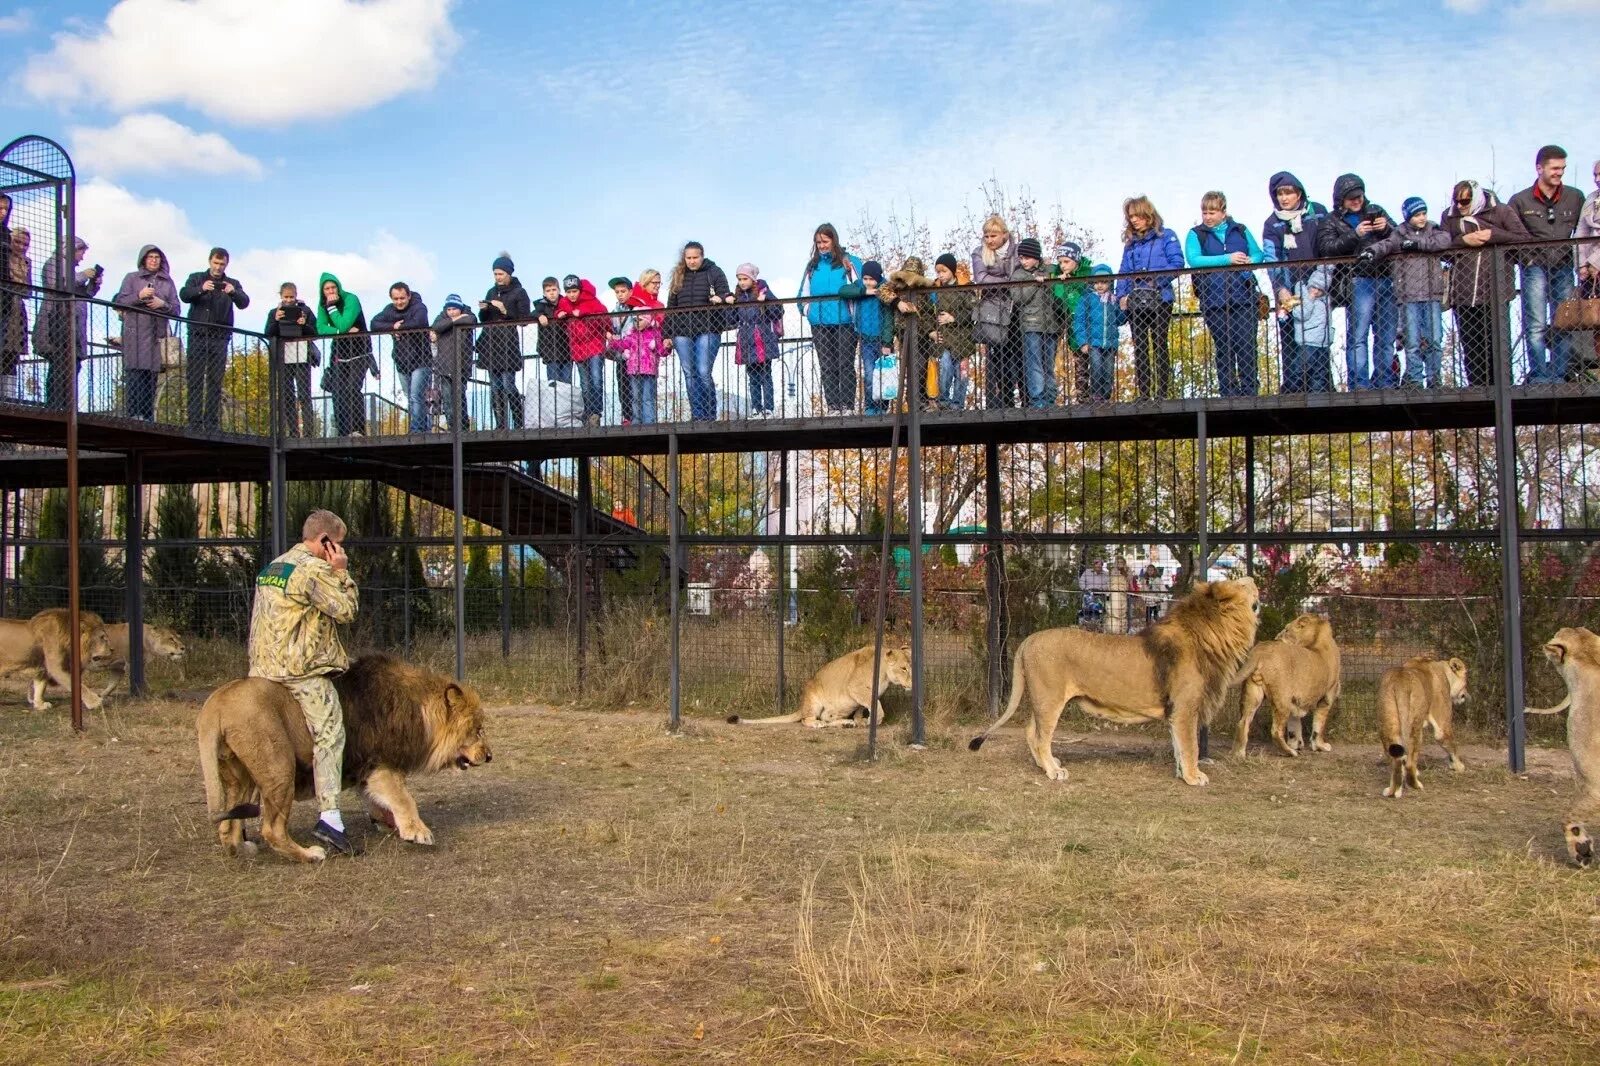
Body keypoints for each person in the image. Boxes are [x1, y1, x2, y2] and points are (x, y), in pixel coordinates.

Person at [248, 509, 361, 856]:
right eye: (337, 544)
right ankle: (330, 819)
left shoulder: (274, 567)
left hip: (261, 669)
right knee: (330, 733)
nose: (340, 550)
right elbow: (346, 611)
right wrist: (341, 572)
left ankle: (238, 819)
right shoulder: (315, 569)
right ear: (325, 541)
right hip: (299, 671)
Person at [1440, 181, 1531, 387]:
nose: (1461, 205)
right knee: (1471, 346)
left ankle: (1503, 386)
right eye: (1457, 201)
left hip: (1495, 290)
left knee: (1497, 345)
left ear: (1476, 197)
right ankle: (1477, 389)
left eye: (1465, 201)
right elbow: (1442, 246)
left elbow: (1524, 240)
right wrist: (1464, 241)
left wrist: (1493, 235)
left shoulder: (1501, 211)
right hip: (1463, 292)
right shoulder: (1449, 216)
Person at [1510, 145, 1586, 383]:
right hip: (1534, 266)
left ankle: (1560, 373)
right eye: (1554, 168)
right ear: (1539, 168)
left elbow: (1584, 229)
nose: (1559, 173)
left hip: (1563, 265)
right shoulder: (1520, 200)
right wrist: (1525, 259)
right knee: (1536, 322)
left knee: (1563, 320)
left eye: (1562, 169)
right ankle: (1539, 375)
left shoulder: (1575, 196)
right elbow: (1510, 236)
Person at [1316, 174, 1398, 389]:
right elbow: (1325, 248)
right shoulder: (1332, 220)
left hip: (1385, 278)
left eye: (1359, 196)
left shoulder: (1377, 211)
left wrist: (1386, 228)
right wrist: (1355, 234)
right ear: (1341, 199)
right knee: (1359, 336)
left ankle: (1385, 382)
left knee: (1386, 336)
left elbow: (1399, 237)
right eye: (1351, 197)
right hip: (1357, 280)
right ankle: (1359, 385)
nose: (1356, 201)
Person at [1365, 197, 1453, 388]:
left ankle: (1433, 378)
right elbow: (1386, 245)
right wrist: (1371, 251)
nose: (1422, 218)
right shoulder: (1400, 233)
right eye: (1416, 215)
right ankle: (1414, 378)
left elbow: (1444, 240)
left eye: (1423, 213)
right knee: (1412, 342)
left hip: (1431, 294)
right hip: (1408, 296)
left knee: (1434, 340)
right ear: (1407, 216)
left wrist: (1417, 244)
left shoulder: (1433, 229)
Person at [1185, 191, 1265, 397]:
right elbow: (1194, 260)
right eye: (1204, 212)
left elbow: (1258, 253)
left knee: (1247, 344)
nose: (1208, 217)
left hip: (1244, 295)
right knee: (1225, 345)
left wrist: (1250, 261)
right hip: (1214, 298)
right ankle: (1228, 391)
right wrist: (1227, 259)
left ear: (1223, 212)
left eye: (1212, 212)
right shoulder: (1196, 234)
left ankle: (1249, 391)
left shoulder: (1240, 230)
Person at [1260, 172, 1330, 396]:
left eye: (1288, 192)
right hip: (1288, 288)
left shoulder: (1317, 212)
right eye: (1279, 193)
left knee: (1318, 335)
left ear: (1298, 192)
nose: (1284, 198)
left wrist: (1320, 282)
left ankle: (1322, 386)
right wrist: (1280, 288)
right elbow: (1271, 257)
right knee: (1289, 336)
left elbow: (1327, 248)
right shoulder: (1272, 223)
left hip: (1317, 285)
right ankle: (1293, 388)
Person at [1115, 196, 1183, 399]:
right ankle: (1144, 393)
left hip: (1160, 298)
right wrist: (1122, 295)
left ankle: (1162, 391)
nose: (1134, 220)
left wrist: (1156, 281)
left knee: (1160, 342)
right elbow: (1123, 271)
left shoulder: (1166, 236)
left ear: (1148, 215)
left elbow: (1177, 263)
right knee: (1140, 346)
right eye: (1131, 217)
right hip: (1136, 300)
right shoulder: (1131, 244)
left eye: (1137, 215)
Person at [178, 247, 249, 430]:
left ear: (226, 264)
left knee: (215, 380)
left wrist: (233, 292)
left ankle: (211, 422)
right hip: (198, 334)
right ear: (210, 261)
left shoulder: (232, 282)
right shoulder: (196, 278)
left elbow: (244, 303)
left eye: (222, 264)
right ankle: (194, 421)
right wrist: (201, 289)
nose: (218, 267)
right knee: (194, 378)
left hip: (220, 336)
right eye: (216, 263)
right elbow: (184, 295)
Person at [797, 224, 862, 414]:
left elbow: (860, 285)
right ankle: (833, 405)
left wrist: (850, 270)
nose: (822, 246)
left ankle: (847, 405)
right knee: (826, 365)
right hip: (820, 322)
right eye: (818, 243)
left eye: (825, 241)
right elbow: (802, 293)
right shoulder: (812, 266)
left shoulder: (849, 261)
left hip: (845, 321)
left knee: (845, 363)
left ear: (834, 240)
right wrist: (808, 310)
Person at [34, 235, 103, 410]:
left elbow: (85, 294)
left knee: (73, 366)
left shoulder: (72, 270)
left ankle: (68, 405)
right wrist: (82, 276)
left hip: (75, 324)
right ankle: (55, 405)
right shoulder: (54, 263)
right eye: (81, 252)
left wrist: (94, 284)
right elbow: (59, 286)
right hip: (56, 321)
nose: (82, 256)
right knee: (59, 364)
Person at [666, 241, 732, 421]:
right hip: (682, 329)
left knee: (703, 370)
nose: (692, 261)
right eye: (689, 258)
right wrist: (667, 334)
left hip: (708, 327)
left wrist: (721, 298)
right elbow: (671, 306)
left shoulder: (714, 272)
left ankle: (710, 413)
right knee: (689, 372)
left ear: (702, 256)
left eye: (695, 257)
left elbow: (727, 294)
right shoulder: (678, 276)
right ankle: (698, 415)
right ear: (684, 258)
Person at [112, 244, 179, 420]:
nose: (154, 260)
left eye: (157, 257)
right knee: (135, 374)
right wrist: (139, 296)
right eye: (150, 257)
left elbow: (176, 309)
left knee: (151, 377)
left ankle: (148, 416)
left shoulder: (167, 282)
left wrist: (162, 304)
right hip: (134, 332)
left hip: (156, 335)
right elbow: (119, 302)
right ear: (143, 259)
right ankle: (134, 415)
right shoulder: (132, 278)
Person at [315, 272, 375, 437]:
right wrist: (339, 331)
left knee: (352, 388)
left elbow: (344, 323)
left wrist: (333, 310)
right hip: (339, 352)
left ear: (338, 287)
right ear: (322, 291)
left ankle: (358, 429)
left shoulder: (351, 299)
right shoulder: (322, 304)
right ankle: (343, 431)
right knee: (338, 390)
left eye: (333, 287)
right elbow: (320, 328)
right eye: (327, 289)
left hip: (359, 351)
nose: (331, 291)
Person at [475, 254, 531, 429]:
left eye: (500, 274)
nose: (497, 277)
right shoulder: (491, 292)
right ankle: (500, 424)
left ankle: (518, 420)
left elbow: (524, 319)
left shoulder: (520, 292)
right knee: (495, 387)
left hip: (508, 344)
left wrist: (505, 310)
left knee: (508, 385)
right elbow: (484, 319)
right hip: (491, 343)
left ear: (509, 273)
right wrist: (483, 310)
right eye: (495, 274)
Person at [971, 214, 1022, 409]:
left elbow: (1021, 272)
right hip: (993, 309)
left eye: (993, 235)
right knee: (998, 354)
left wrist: (1007, 282)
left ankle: (1024, 397)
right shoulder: (979, 253)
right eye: (986, 236)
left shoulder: (1016, 250)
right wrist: (1008, 282)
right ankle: (1005, 397)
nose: (989, 240)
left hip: (1015, 306)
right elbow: (981, 278)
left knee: (1018, 352)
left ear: (1004, 235)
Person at [369, 282, 432, 433]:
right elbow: (374, 323)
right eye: (395, 299)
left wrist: (399, 328)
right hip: (401, 360)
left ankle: (417, 430)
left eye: (402, 298)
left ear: (409, 296)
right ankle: (425, 427)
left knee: (416, 395)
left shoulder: (419, 307)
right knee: (410, 397)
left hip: (421, 359)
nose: (399, 302)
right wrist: (392, 327)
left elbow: (419, 322)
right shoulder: (389, 310)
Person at [609, 269, 665, 424]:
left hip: (647, 360)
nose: (658, 286)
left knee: (645, 394)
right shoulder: (620, 309)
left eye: (659, 283)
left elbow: (657, 329)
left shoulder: (646, 306)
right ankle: (631, 418)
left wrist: (662, 345)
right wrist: (612, 340)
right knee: (628, 390)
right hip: (630, 356)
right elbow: (617, 332)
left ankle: (647, 420)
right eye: (655, 283)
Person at [264, 281, 319, 437]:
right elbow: (268, 333)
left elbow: (315, 333)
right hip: (283, 356)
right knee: (287, 395)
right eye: (286, 297)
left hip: (302, 355)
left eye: (291, 297)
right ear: (281, 296)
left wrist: (304, 324)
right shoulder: (273, 312)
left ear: (296, 296)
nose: (289, 300)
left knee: (304, 395)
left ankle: (308, 432)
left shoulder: (305, 311)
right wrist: (275, 319)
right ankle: (293, 432)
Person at [556, 275, 612, 426]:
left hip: (595, 345)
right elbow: (559, 312)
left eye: (575, 291)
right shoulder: (564, 303)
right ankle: (588, 412)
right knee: (585, 384)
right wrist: (558, 314)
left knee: (596, 379)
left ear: (580, 290)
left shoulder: (591, 301)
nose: (572, 295)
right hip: (578, 348)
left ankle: (596, 412)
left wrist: (582, 312)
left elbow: (604, 316)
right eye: (569, 292)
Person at [731, 263, 783, 418]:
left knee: (765, 375)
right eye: (739, 279)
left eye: (745, 278)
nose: (742, 282)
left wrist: (765, 302)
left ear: (752, 279)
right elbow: (732, 319)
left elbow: (778, 311)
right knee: (752, 377)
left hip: (763, 338)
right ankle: (756, 407)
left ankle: (768, 408)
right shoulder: (738, 296)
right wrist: (730, 305)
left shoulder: (763, 291)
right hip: (746, 340)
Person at [1012, 237, 1059, 408]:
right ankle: (1038, 400)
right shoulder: (1018, 275)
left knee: (1049, 365)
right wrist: (1035, 283)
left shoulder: (1048, 269)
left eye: (1026, 257)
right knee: (1034, 364)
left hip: (1051, 325)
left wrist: (1050, 274)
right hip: (1031, 325)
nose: (1023, 261)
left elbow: (1060, 275)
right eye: (1021, 258)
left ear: (1036, 257)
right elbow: (1018, 298)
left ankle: (1050, 399)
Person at [840, 260, 891, 415]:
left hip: (882, 340)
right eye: (866, 279)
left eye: (871, 279)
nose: (868, 282)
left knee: (884, 375)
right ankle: (870, 406)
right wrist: (864, 292)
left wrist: (887, 342)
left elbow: (889, 318)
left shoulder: (885, 289)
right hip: (866, 340)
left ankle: (882, 406)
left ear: (878, 277)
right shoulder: (860, 287)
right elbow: (843, 291)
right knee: (869, 374)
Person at [1049, 241, 1095, 400]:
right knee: (1080, 363)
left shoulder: (1088, 273)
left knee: (1096, 362)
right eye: (1060, 262)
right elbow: (1058, 299)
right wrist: (1060, 283)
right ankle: (1082, 396)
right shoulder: (1058, 276)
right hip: (1072, 325)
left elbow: (1088, 291)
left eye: (1066, 261)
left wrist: (1070, 281)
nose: (1062, 265)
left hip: (1090, 323)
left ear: (1076, 260)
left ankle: (1097, 396)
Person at [930, 253, 975, 410]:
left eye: (944, 271)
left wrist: (954, 318)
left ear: (952, 271)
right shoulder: (935, 290)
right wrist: (932, 330)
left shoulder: (965, 288)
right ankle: (943, 401)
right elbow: (929, 313)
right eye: (938, 272)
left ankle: (958, 404)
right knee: (946, 369)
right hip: (945, 339)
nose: (940, 275)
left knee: (961, 374)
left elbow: (973, 312)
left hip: (963, 339)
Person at [1281, 262, 1336, 393]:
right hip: (1308, 340)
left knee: (1320, 371)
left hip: (1322, 342)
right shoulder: (1303, 297)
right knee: (1300, 368)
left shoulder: (1325, 301)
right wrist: (1309, 299)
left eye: (1320, 290)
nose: (1316, 292)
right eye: (1314, 288)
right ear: (1310, 285)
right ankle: (1289, 390)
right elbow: (1300, 314)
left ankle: (1317, 394)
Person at [1073, 265, 1123, 401]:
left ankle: (1105, 397)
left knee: (1108, 371)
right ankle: (1095, 395)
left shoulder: (1113, 300)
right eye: (1096, 282)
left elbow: (1120, 320)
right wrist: (1082, 341)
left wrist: (1123, 309)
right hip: (1094, 342)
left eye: (1104, 282)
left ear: (1109, 283)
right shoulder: (1087, 299)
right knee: (1096, 368)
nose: (1100, 285)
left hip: (1110, 342)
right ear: (1092, 283)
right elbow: (1079, 320)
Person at [430, 293, 476, 432]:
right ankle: (452, 427)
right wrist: (456, 319)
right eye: (449, 310)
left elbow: (471, 320)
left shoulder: (468, 313)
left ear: (460, 308)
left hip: (461, 364)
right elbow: (436, 327)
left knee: (459, 396)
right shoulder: (441, 317)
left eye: (454, 309)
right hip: (444, 365)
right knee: (448, 399)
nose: (451, 312)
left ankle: (462, 426)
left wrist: (451, 322)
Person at [1, 227, 32, 403]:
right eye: (18, 242)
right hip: (3, 303)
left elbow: (28, 290)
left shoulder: (26, 262)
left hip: (17, 308)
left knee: (13, 351)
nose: (21, 246)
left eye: (25, 244)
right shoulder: (4, 257)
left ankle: (8, 394)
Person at [607, 277, 637, 424]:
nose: (620, 294)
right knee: (623, 386)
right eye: (617, 292)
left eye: (623, 291)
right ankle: (627, 417)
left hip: (634, 355)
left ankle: (637, 416)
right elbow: (611, 329)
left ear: (630, 291)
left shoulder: (636, 309)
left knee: (635, 387)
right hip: (620, 355)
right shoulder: (614, 312)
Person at [533, 276, 572, 385]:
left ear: (559, 290)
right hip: (549, 349)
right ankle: (555, 402)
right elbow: (533, 313)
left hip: (566, 347)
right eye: (548, 291)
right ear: (544, 293)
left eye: (554, 290)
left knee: (566, 382)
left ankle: (566, 402)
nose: (551, 293)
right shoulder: (541, 305)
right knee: (553, 382)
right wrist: (540, 315)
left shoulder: (565, 303)